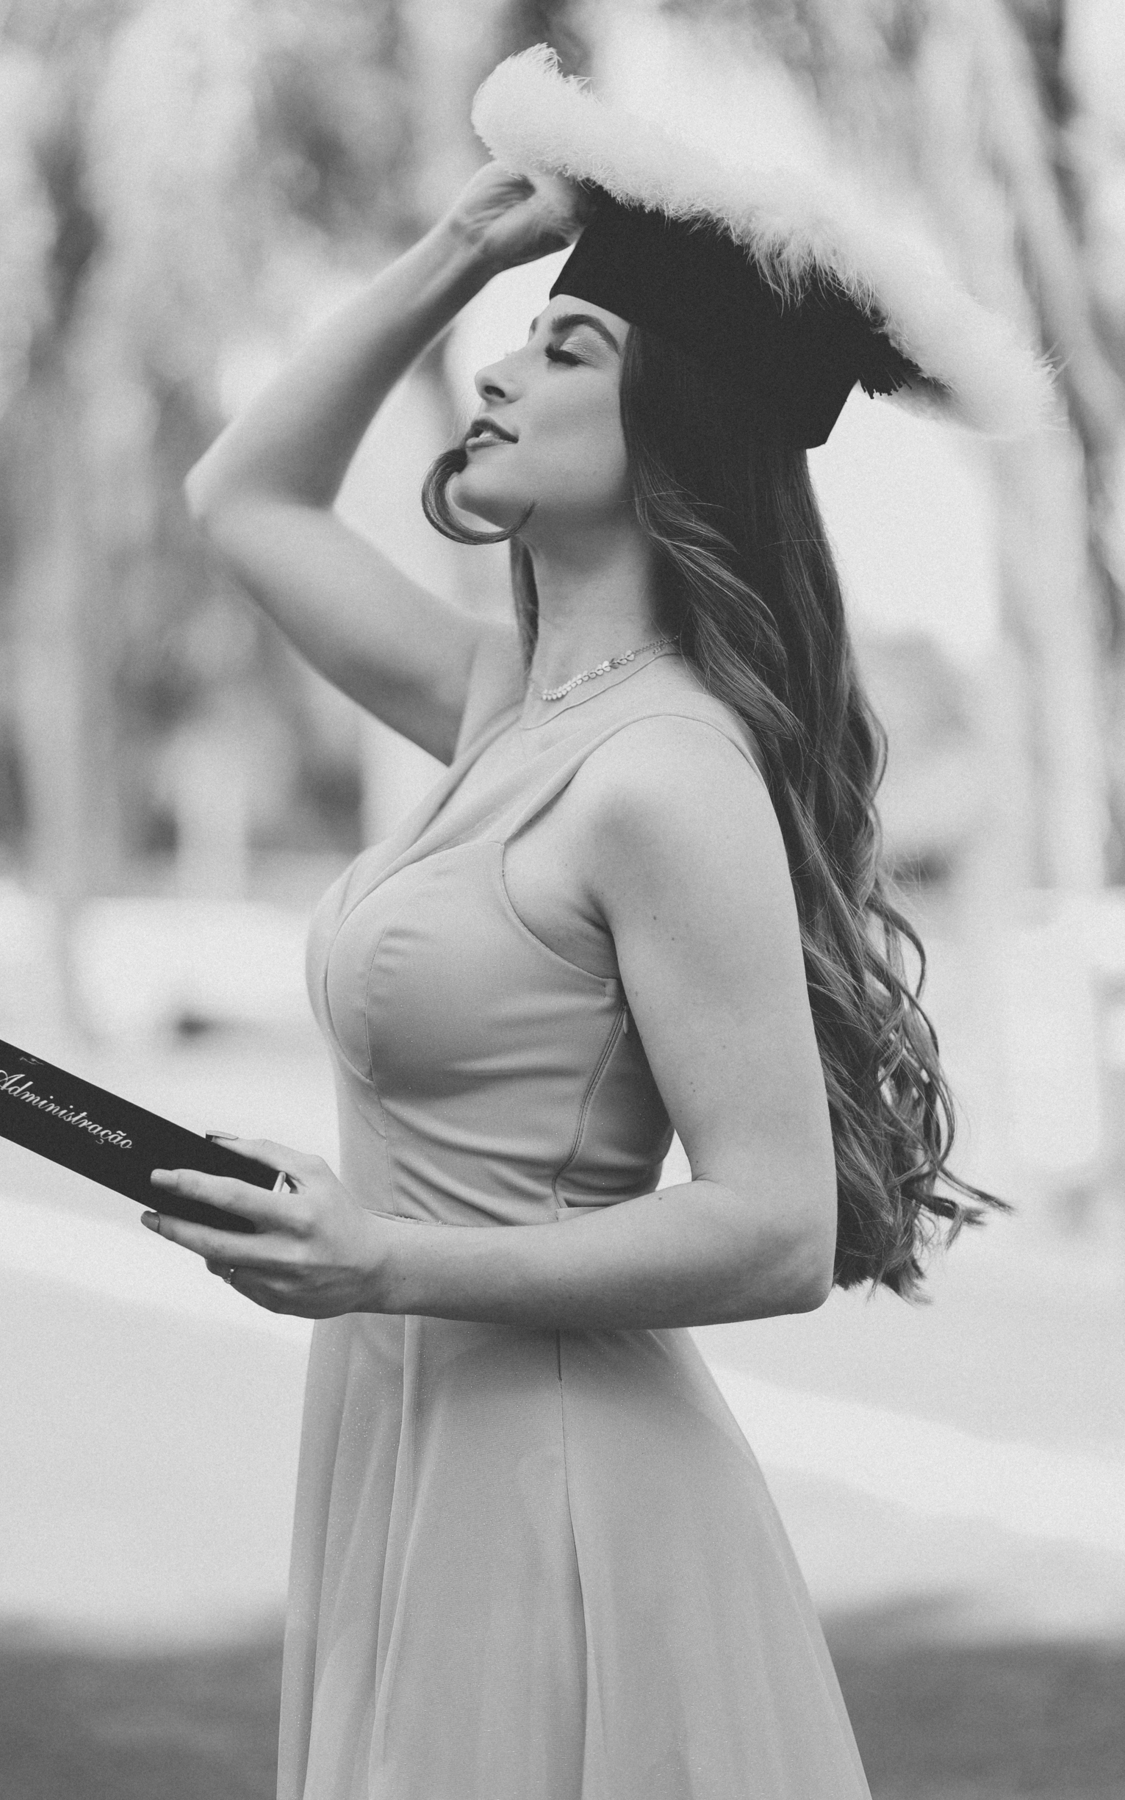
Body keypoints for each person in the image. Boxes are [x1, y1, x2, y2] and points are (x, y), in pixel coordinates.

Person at [143, 47, 1049, 1800]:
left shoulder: (663, 774)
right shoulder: (511, 708)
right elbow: (240, 503)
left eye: (567, 348)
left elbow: (775, 1229)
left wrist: (378, 1261)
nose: (498, 369)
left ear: (673, 427)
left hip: (556, 1481)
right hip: (411, 1433)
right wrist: (466, 251)